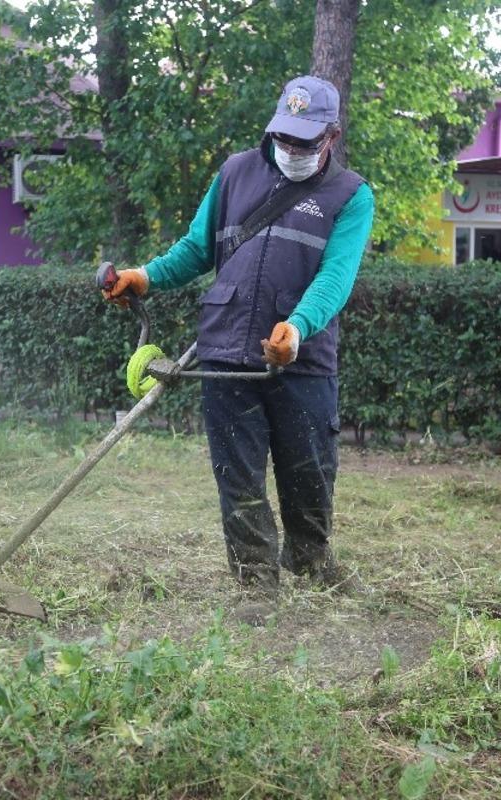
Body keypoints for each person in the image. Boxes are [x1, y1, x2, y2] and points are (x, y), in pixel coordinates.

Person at [104, 75, 375, 610]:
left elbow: (336, 278)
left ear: (332, 136)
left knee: (309, 471)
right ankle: (256, 581)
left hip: (303, 357)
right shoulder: (234, 173)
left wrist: (297, 327)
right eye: (285, 137)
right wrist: (146, 275)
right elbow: (197, 249)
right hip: (226, 350)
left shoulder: (351, 195)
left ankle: (311, 558)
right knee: (238, 475)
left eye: (305, 141)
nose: (292, 149)